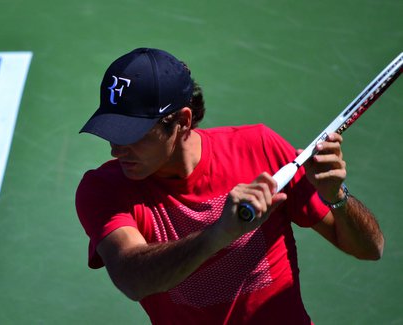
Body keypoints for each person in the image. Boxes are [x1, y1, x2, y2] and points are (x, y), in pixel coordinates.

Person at [75, 48, 384, 324]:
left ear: (182, 121)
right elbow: (132, 278)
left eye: (131, 135)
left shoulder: (259, 147)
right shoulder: (103, 189)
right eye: (112, 132)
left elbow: (370, 249)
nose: (116, 150)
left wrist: (336, 197)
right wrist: (219, 233)